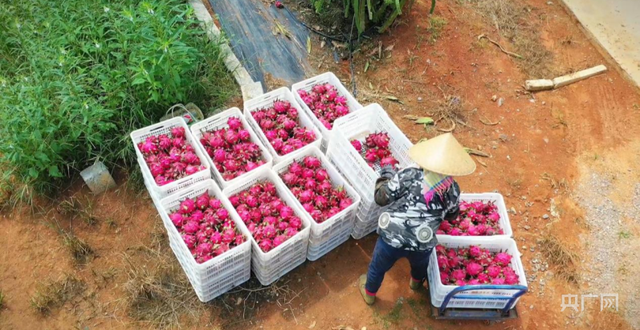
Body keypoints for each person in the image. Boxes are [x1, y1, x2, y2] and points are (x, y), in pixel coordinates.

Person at [359, 133, 476, 305]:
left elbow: (381, 198)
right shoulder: (452, 189)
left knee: (378, 266)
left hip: (392, 238)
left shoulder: (409, 174)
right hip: (423, 242)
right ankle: (415, 283)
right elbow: (452, 215)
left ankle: (369, 293)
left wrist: (386, 177)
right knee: (420, 265)